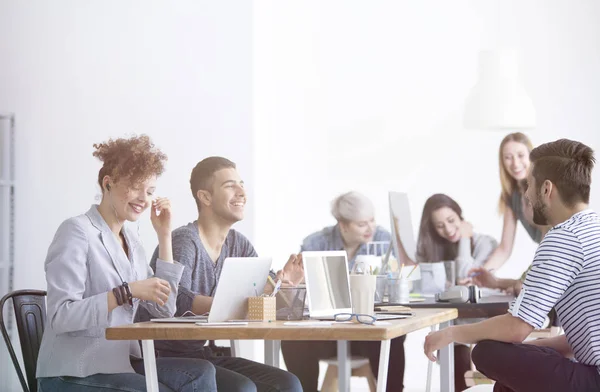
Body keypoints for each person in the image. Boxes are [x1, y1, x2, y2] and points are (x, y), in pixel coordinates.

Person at [36, 135, 217, 392]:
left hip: (119, 364)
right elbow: (61, 316)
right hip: (74, 372)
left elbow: (164, 310)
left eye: (150, 191)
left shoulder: (132, 240)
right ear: (108, 183)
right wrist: (127, 291)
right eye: (135, 186)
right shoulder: (76, 231)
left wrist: (164, 235)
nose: (144, 199)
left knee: (200, 373)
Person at [424, 139, 600, 391]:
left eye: (530, 184)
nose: (527, 194)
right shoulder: (592, 228)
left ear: (546, 189)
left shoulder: (564, 237)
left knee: (486, 352)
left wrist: (450, 334)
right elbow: (580, 342)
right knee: (507, 373)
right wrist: (527, 351)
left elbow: (516, 327)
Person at [136, 156, 302, 392]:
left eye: (241, 184)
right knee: (242, 388)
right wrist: (233, 306)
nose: (242, 192)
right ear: (205, 197)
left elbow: (264, 287)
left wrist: (284, 286)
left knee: (287, 383)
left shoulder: (238, 244)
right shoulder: (185, 241)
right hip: (161, 355)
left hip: (200, 353)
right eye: (230, 185)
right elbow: (176, 301)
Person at [281, 191, 406, 392]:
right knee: (292, 339)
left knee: (390, 336)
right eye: (362, 224)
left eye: (372, 221)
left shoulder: (383, 239)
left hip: (366, 333)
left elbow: (394, 283)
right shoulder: (315, 243)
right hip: (326, 333)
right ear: (343, 225)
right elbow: (303, 291)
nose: (370, 228)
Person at [394, 193, 498, 391]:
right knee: (456, 357)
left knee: (472, 357)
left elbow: (466, 273)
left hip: (483, 326)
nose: (448, 230)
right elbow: (421, 282)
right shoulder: (433, 249)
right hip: (453, 330)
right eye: (440, 226)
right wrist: (397, 234)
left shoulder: (486, 243)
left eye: (451, 221)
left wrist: (465, 240)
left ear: (461, 216)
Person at [482, 132, 549, 271]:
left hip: (570, 261)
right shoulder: (512, 197)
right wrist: (480, 275)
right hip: (550, 261)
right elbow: (504, 250)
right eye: (508, 157)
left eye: (520, 155)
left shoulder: (545, 189)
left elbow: (549, 245)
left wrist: (524, 279)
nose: (515, 163)